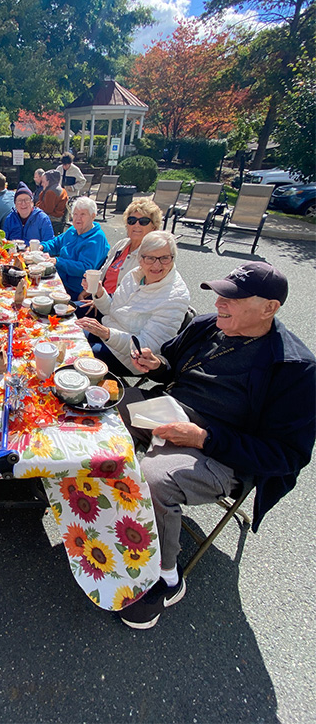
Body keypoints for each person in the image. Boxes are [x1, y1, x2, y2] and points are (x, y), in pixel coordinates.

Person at [117, 262, 316, 629]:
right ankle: (104, 509)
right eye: (221, 293)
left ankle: (166, 576)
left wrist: (203, 438)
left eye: (234, 297)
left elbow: (287, 455)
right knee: (104, 404)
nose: (221, 302)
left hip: (223, 451)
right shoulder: (207, 325)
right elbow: (171, 368)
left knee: (154, 476)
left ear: (269, 308)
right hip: (170, 411)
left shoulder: (294, 367)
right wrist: (156, 365)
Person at [76, 231, 190, 375]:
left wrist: (106, 333)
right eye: (150, 258)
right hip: (108, 334)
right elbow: (112, 310)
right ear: (140, 259)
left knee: (75, 354)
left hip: (129, 358)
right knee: (66, 335)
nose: (157, 265)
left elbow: (147, 347)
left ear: (173, 259)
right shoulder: (135, 275)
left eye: (164, 258)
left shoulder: (175, 297)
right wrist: (99, 292)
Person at [87, 199, 163, 298]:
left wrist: (100, 300)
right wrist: (91, 290)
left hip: (118, 306)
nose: (136, 225)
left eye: (143, 222)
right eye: (131, 220)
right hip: (100, 297)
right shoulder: (122, 245)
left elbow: (139, 294)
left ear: (153, 227)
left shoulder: (152, 256)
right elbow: (103, 271)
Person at [40, 196, 109, 299]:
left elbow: (85, 268)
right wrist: (42, 247)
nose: (77, 218)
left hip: (76, 289)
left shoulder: (96, 239)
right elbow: (56, 243)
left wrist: (58, 261)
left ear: (93, 216)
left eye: (83, 214)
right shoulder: (72, 230)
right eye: (75, 214)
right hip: (61, 280)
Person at [37, 169, 69, 235]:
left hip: (53, 219)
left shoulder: (51, 192)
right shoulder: (62, 189)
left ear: (49, 181)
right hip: (60, 219)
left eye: (43, 181)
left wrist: (37, 205)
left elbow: (47, 210)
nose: (42, 184)